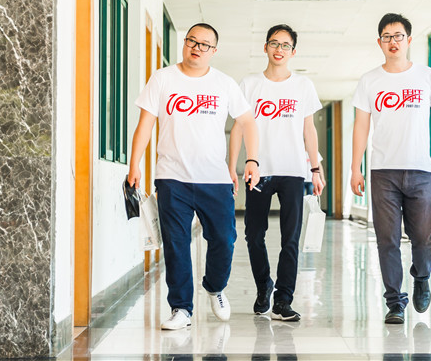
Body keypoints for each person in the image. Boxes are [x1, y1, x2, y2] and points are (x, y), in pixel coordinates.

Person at [128, 23, 260, 330]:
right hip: (172, 177)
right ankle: (181, 308)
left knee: (224, 239)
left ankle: (215, 287)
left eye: (204, 44)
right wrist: (134, 164)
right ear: (185, 43)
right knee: (176, 244)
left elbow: (248, 122)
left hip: (215, 179)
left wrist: (252, 160)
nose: (196, 48)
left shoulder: (224, 83)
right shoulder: (163, 78)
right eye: (192, 41)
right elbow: (145, 124)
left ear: (214, 51)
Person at [350, 13, 431, 324]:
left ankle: (422, 276)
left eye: (398, 36)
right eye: (387, 37)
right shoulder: (370, 80)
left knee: (423, 235)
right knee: (387, 239)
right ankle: (395, 302)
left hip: (420, 170)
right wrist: (355, 168)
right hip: (383, 172)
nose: (393, 42)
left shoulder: (426, 76)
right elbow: (361, 126)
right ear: (379, 42)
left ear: (409, 40)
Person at [230, 24, 324, 322]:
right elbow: (238, 128)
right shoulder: (249, 84)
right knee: (253, 234)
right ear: (265, 47)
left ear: (293, 52)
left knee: (290, 238)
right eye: (274, 43)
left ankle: (283, 300)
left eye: (285, 45)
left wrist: (315, 168)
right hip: (258, 170)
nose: (279, 49)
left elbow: (309, 129)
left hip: (293, 170)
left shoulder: (303, 85)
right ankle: (263, 286)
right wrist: (231, 167)